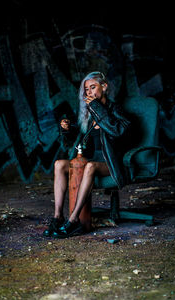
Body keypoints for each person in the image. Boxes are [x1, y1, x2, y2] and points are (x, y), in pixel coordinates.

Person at [43, 71, 131, 239]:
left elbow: (118, 131)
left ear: (104, 87)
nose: (90, 92)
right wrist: (67, 129)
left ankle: (74, 220)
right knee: (59, 164)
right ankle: (57, 217)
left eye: (93, 87)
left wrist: (97, 108)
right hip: (92, 159)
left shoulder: (115, 109)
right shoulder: (90, 115)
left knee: (90, 166)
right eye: (87, 90)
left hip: (110, 162)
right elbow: (81, 139)